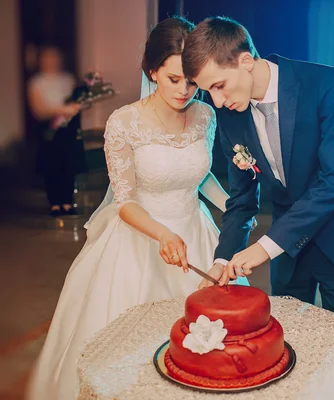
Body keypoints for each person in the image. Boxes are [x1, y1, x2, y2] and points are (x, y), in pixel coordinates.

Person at [26, 17, 248, 400]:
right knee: (133, 350)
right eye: (173, 78)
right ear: (152, 70)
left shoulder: (206, 115)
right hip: (140, 237)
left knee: (204, 346)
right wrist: (162, 234)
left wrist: (235, 208)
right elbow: (125, 200)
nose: (184, 91)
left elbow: (200, 177)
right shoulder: (124, 122)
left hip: (196, 231)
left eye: (192, 81)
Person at [184, 17, 334, 326]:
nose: (217, 101)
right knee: (288, 341)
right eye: (208, 92)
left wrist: (264, 248)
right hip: (289, 255)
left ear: (246, 61)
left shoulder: (324, 84)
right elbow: (242, 200)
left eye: (219, 86)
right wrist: (222, 259)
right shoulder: (230, 118)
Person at [27, 46, 87, 216]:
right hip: (49, 128)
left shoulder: (68, 79)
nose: (52, 61)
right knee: (52, 166)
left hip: (68, 128)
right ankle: (54, 203)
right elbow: (38, 110)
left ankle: (68, 201)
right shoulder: (36, 82)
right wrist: (59, 111)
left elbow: (77, 100)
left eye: (55, 57)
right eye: (48, 58)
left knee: (68, 164)